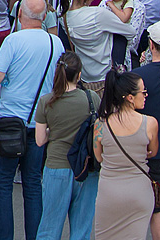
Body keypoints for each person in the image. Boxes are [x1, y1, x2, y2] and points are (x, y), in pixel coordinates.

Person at [0, 0, 65, 240]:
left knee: (2, 182)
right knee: (33, 183)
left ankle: (5, 237)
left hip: (12, 120)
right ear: (44, 17)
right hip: (40, 121)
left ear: (19, 14)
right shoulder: (56, 44)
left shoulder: (13, 41)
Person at [35, 54, 99, 240]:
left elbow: (40, 140)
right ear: (78, 75)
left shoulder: (47, 101)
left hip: (57, 166)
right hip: (85, 168)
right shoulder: (91, 98)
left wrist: (53, 132)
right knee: (82, 228)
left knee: (49, 227)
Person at [92, 70, 159, 240]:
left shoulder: (100, 124)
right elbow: (152, 151)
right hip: (139, 192)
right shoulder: (150, 123)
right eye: (143, 92)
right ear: (130, 97)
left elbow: (99, 157)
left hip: (110, 192)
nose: (146, 95)